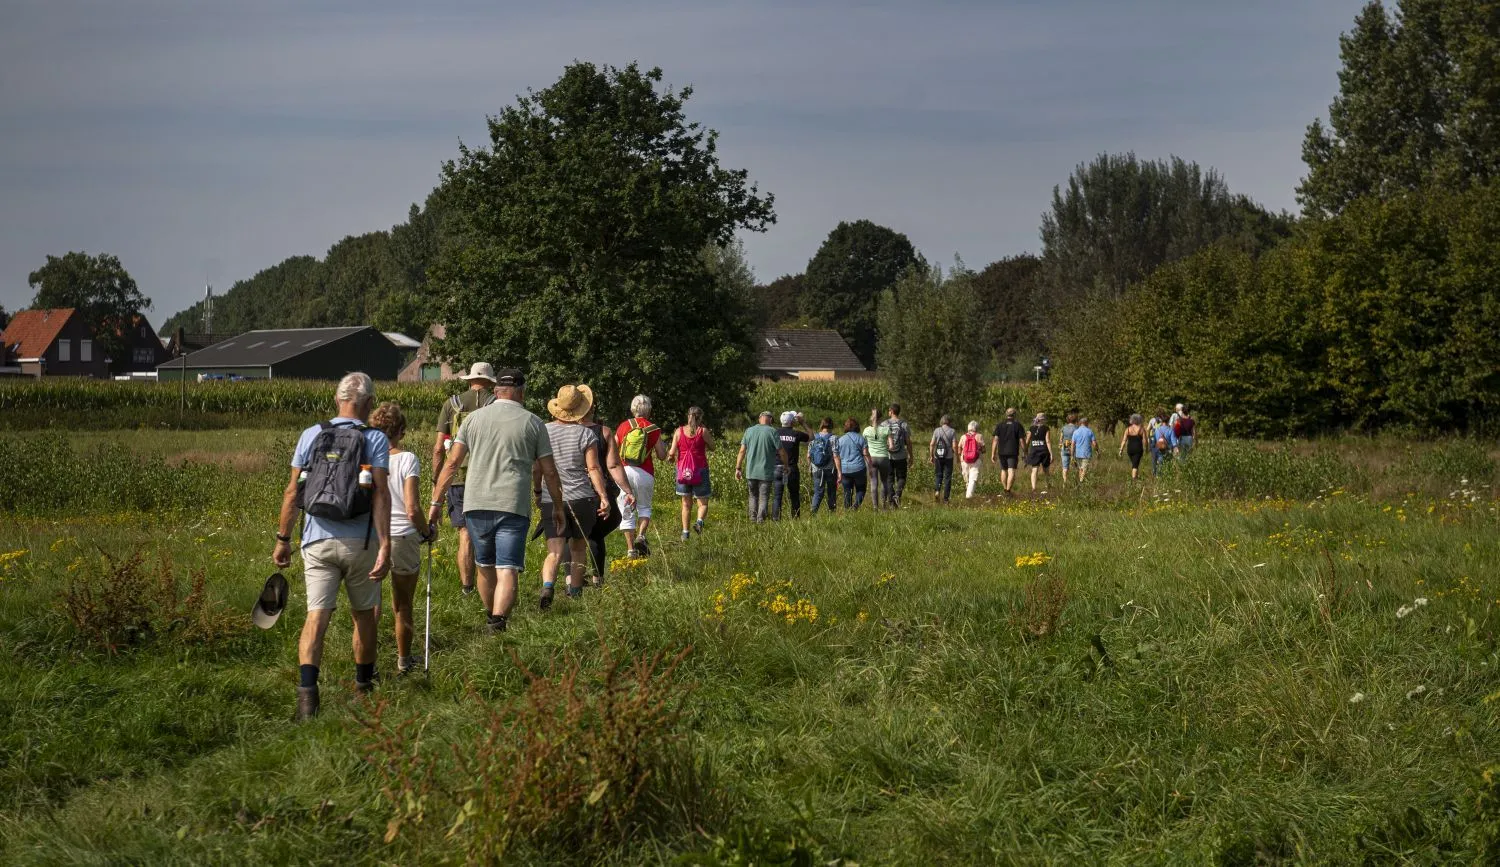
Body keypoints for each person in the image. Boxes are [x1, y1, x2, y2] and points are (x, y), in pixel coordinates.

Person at [272, 372, 392, 722]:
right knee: (364, 616)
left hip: (317, 540)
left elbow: (293, 492)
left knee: (316, 617)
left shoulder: (312, 434)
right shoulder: (375, 438)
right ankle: (363, 689)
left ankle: (307, 701)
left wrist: (283, 539)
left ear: (336, 399)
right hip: (360, 543)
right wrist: (385, 545)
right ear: (368, 403)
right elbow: (381, 495)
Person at [426, 368, 563, 636]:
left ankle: (492, 616)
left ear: (497, 390)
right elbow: (549, 471)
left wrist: (435, 503)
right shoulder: (534, 423)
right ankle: (497, 622)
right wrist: (557, 505)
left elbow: (452, 463)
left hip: (475, 503)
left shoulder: (472, 420)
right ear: (521, 392)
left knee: (485, 565)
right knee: (507, 567)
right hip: (512, 505)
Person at [368, 402, 436, 677]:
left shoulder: (366, 458)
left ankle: (366, 665)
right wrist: (427, 531)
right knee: (403, 603)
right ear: (401, 432)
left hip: (371, 536)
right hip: (402, 537)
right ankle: (404, 661)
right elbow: (412, 508)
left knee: (370, 603)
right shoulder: (407, 459)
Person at [536, 385, 613, 609]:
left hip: (552, 498)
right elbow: (593, 468)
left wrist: (538, 492)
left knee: (554, 550)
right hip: (582, 498)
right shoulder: (587, 433)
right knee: (579, 548)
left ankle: (548, 585)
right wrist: (603, 496)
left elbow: (537, 468)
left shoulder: (544, 431)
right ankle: (575, 593)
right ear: (581, 408)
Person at [432, 362, 497, 595]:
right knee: (492, 531)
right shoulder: (497, 405)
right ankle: (491, 586)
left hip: (458, 475)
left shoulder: (451, 405)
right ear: (490, 382)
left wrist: (436, 480)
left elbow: (439, 448)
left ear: (469, 380)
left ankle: (467, 588)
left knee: (465, 533)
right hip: (489, 475)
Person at [578, 405, 634, 584]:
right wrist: (628, 490)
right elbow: (613, 465)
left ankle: (572, 581)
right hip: (598, 491)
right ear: (592, 408)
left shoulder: (563, 431)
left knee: (570, 537)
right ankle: (597, 579)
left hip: (571, 490)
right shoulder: (604, 432)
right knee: (596, 535)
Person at [616, 395, 667, 558]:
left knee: (626, 509)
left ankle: (631, 549)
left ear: (633, 408)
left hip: (624, 472)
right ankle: (641, 536)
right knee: (644, 507)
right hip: (645, 473)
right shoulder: (654, 429)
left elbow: (614, 448)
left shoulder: (624, 426)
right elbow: (661, 455)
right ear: (649, 410)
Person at [667, 406, 714, 540]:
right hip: (700, 470)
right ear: (700, 418)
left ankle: (685, 533)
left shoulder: (679, 431)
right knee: (703, 503)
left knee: (686, 504)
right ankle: (699, 522)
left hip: (683, 472)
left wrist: (671, 457)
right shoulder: (703, 431)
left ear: (688, 416)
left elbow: (671, 453)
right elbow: (713, 447)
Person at [735, 410, 786, 524]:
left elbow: (742, 451)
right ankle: (760, 520)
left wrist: (738, 468)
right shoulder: (773, 431)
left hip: (751, 471)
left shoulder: (749, 431)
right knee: (764, 496)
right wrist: (786, 465)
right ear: (771, 420)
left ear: (759, 419)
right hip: (766, 472)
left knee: (752, 495)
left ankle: (752, 519)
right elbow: (781, 452)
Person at [772, 410, 812, 520]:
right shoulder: (796, 433)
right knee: (794, 495)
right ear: (792, 422)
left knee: (777, 497)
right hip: (791, 468)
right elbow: (811, 437)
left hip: (776, 467)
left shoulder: (775, 432)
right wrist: (803, 422)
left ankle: (776, 520)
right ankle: (795, 519)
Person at [833, 417, 870, 510]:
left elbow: (836, 456)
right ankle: (855, 506)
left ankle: (847, 510)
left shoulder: (840, 440)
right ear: (857, 426)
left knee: (847, 491)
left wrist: (839, 472)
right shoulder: (861, 438)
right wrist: (871, 465)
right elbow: (865, 454)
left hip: (845, 469)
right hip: (859, 468)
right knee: (861, 490)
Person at [807, 416, 839, 514]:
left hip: (816, 469)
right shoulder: (834, 438)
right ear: (831, 425)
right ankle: (832, 513)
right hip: (830, 470)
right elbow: (836, 456)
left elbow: (808, 455)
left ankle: (813, 513)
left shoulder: (814, 437)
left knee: (818, 492)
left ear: (822, 425)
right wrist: (840, 472)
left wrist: (810, 468)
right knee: (831, 492)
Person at [883, 404, 913, 508]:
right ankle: (897, 494)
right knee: (902, 477)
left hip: (888, 456)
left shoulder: (884, 424)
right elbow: (908, 442)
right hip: (901, 456)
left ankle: (891, 502)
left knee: (889, 478)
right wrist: (911, 456)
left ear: (891, 411)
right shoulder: (904, 424)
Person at [990, 407, 1024, 495]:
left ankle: (1005, 489)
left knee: (1003, 470)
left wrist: (993, 453)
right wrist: (1025, 451)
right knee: (1011, 470)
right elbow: (1021, 440)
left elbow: (995, 440)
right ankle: (1008, 491)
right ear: (1014, 415)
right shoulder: (1018, 425)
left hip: (1001, 451)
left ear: (1006, 414)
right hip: (1013, 451)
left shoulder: (1000, 425)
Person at [863, 407, 890, 511]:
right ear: (881, 418)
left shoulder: (866, 430)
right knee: (884, 482)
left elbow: (863, 445)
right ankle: (884, 506)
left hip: (871, 459)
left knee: (873, 482)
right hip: (883, 458)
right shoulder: (886, 429)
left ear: (871, 417)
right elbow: (891, 445)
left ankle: (875, 507)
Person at [930, 414, 957, 504]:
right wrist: (957, 456)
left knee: (938, 475)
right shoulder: (952, 431)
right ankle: (946, 499)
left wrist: (931, 456)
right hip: (948, 457)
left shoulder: (937, 430)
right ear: (949, 422)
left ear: (942, 421)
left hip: (938, 456)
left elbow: (932, 444)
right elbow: (954, 446)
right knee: (948, 477)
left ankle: (937, 490)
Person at [1026, 412, 1053, 493]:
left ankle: (1034, 488)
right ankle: (1048, 485)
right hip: (1044, 450)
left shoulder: (1031, 428)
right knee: (1046, 470)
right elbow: (1047, 441)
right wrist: (1051, 453)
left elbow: (1027, 441)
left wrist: (1025, 451)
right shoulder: (1046, 428)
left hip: (1034, 450)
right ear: (1043, 420)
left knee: (1034, 469)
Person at [959, 421, 984, 499]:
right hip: (976, 459)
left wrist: (961, 454)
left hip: (964, 459)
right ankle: (969, 496)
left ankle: (968, 494)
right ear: (976, 428)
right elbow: (984, 449)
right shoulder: (979, 436)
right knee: (973, 478)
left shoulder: (963, 437)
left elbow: (959, 448)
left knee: (966, 477)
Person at [1119, 413, 1147, 480]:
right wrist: (1147, 448)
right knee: (1135, 465)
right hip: (1138, 449)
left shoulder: (1127, 429)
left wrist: (1121, 450)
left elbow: (1124, 440)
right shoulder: (1142, 429)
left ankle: (1136, 478)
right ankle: (1134, 480)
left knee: (1135, 464)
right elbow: (1145, 441)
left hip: (1130, 450)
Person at [1070, 416, 1098, 483]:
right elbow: (1094, 443)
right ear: (1086, 423)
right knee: (1084, 469)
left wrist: (1072, 455)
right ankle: (1081, 482)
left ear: (1080, 423)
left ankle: (1081, 482)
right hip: (1086, 454)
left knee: (1081, 469)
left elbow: (1072, 444)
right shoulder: (1089, 431)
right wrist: (1097, 450)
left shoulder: (1075, 432)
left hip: (1078, 454)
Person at [1151, 410, 1179, 477]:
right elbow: (1174, 442)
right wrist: (1176, 448)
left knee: (1160, 463)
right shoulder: (1170, 430)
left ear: (1161, 421)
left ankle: (1158, 477)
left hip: (1158, 449)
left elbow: (1153, 441)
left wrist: (1152, 449)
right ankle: (1166, 478)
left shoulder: (1157, 430)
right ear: (1168, 421)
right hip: (1168, 449)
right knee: (1168, 464)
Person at [1059, 412, 1079, 484]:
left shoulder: (1064, 428)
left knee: (1065, 467)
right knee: (1076, 466)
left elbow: (1061, 439)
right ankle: (1076, 482)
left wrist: (1061, 447)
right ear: (1075, 420)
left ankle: (1065, 483)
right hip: (1074, 449)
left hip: (1065, 448)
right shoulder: (1077, 428)